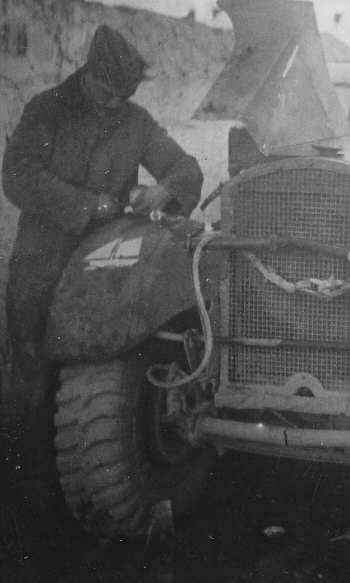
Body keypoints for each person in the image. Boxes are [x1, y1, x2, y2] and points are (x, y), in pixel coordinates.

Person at [1, 25, 203, 524]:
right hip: (42, 257)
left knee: (98, 364)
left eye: (124, 96)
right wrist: (86, 205)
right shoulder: (47, 110)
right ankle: (30, 496)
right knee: (32, 374)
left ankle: (88, 478)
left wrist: (164, 190)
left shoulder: (135, 121)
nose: (115, 104)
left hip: (104, 261)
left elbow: (186, 168)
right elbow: (17, 174)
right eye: (109, 92)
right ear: (89, 73)